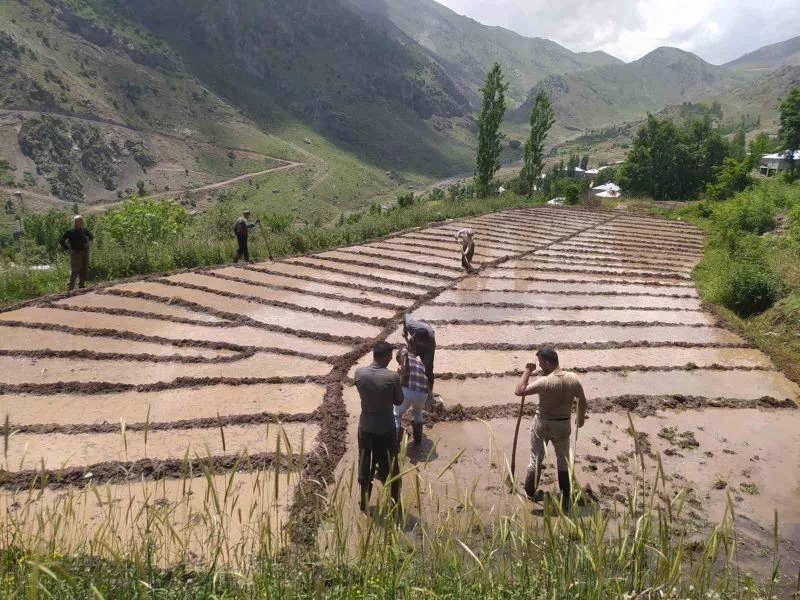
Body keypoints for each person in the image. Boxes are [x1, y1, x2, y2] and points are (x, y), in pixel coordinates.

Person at [514, 346, 587, 511]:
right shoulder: (573, 378)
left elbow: (519, 391)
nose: (539, 367)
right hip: (563, 423)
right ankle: (566, 496)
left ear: (547, 362)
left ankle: (530, 492)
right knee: (563, 460)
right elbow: (582, 400)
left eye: (540, 363)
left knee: (536, 458)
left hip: (543, 423)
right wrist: (580, 418)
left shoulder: (545, 381)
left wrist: (527, 370)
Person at [354, 341, 404, 512]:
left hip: (366, 427)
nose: (392, 358)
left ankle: (363, 503)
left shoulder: (359, 373)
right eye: (390, 355)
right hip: (386, 429)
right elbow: (399, 401)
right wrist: (400, 377)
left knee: (364, 464)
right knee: (391, 465)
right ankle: (394, 503)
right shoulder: (392, 377)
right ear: (386, 357)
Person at [394, 345, 428, 446]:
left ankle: (394, 443)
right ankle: (418, 441)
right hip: (423, 393)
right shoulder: (419, 363)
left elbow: (400, 381)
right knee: (417, 412)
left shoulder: (404, 361)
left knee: (396, 414)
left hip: (409, 390)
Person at [402, 314, 436, 408]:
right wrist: (405, 331)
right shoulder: (410, 325)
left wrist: (421, 370)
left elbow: (425, 365)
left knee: (428, 371)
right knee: (407, 363)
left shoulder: (430, 343)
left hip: (427, 348)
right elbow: (405, 316)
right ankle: (408, 389)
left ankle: (429, 394)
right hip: (417, 335)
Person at [59, 215, 93, 291]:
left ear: (82, 222)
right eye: (77, 221)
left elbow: (91, 237)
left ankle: (82, 286)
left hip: (85, 252)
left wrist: (89, 243)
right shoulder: (70, 231)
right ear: (74, 222)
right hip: (75, 253)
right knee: (75, 270)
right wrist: (68, 249)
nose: (78, 223)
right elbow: (61, 241)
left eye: (80, 221)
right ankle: (70, 288)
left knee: (84, 269)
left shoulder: (85, 230)